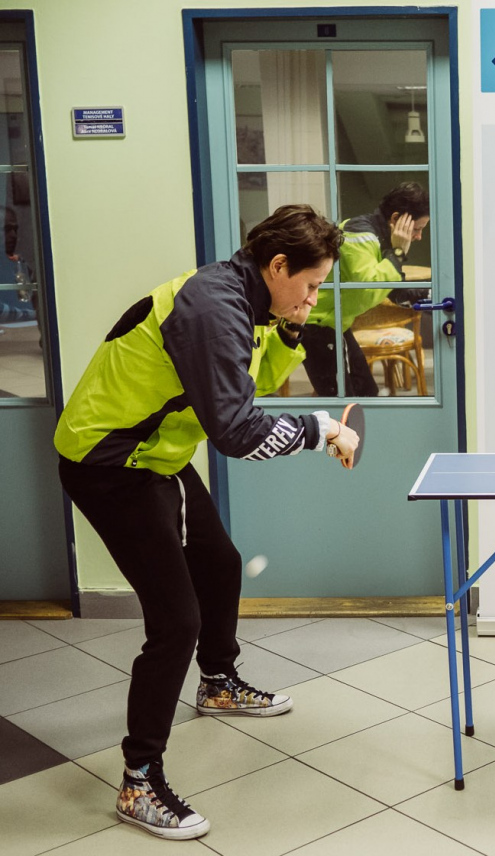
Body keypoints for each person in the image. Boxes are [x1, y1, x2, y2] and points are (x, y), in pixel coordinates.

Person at [54, 204, 359, 841]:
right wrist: (321, 428)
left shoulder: (245, 299)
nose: (314, 297)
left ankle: (218, 682)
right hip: (110, 464)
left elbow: (245, 387)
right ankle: (139, 780)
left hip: (158, 456)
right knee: (176, 622)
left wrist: (294, 330)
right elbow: (237, 432)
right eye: (309, 286)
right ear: (278, 266)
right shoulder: (214, 309)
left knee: (218, 564)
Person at [301, 181, 431, 396]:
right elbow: (369, 287)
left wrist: (433, 297)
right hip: (316, 325)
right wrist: (398, 254)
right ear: (396, 219)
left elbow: (396, 291)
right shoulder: (359, 235)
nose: (418, 236)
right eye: (417, 229)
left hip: (333, 324)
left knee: (366, 394)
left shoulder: (380, 238)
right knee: (343, 401)